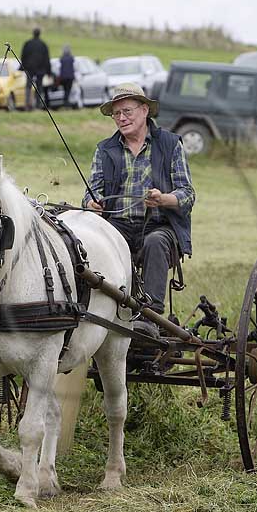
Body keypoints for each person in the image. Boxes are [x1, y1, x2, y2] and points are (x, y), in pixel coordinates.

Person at [83, 83, 195, 337]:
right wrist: (92, 204)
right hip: (116, 227)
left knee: (155, 242)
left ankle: (150, 317)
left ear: (145, 110)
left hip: (158, 226)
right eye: (116, 114)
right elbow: (90, 193)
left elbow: (188, 194)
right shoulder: (105, 149)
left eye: (127, 111)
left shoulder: (170, 144)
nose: (121, 118)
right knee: (92, 247)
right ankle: (100, 314)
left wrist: (164, 199)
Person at [20, 27, 51, 111]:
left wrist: (22, 67)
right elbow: (47, 59)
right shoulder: (43, 45)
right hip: (40, 70)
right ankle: (38, 105)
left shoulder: (27, 44)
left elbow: (23, 56)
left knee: (28, 87)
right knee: (39, 87)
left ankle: (27, 105)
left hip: (29, 69)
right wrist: (49, 71)